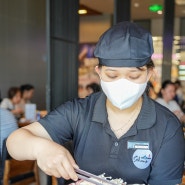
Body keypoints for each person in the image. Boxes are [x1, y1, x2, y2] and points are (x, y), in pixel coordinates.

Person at [6, 22, 185, 185]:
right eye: (112, 75)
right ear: (99, 72)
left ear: (149, 73)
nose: (122, 83)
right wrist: (40, 148)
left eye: (133, 76)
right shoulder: (79, 112)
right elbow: (14, 142)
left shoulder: (167, 127)